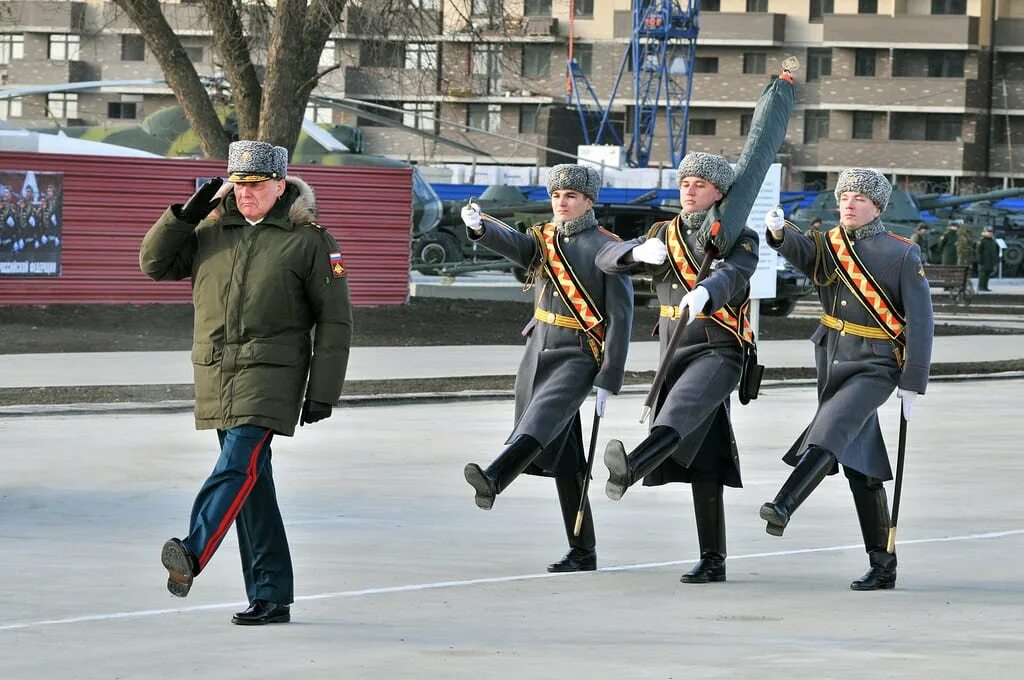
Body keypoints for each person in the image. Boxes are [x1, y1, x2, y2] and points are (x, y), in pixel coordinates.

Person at [139, 141, 353, 625]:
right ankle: (271, 595)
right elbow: (152, 265)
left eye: (256, 185)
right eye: (239, 184)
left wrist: (323, 390)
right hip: (217, 372)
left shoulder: (310, 240)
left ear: (281, 185)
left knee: (237, 465)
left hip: (271, 376)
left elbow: (335, 321)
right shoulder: (210, 232)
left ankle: (192, 551)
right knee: (252, 487)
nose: (246, 193)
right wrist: (182, 216)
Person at [761, 168, 933, 591]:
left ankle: (784, 504)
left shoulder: (901, 253)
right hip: (833, 359)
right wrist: (781, 233)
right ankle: (882, 564)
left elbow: (921, 323)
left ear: (877, 206)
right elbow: (803, 252)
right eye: (844, 197)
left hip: (875, 365)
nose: (849, 204)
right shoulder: (829, 245)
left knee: (832, 426)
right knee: (863, 465)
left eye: (859, 198)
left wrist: (913, 380)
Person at [595, 152, 760, 584]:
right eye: (685, 182)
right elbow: (604, 259)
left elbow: (736, 274)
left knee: (676, 413)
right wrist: (634, 255)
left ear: (719, 194)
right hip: (674, 350)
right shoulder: (661, 233)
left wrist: (707, 291)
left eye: (700, 185)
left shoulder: (738, 235)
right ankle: (713, 559)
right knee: (705, 460)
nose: (689, 189)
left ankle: (631, 466)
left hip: (719, 347)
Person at [460, 164, 633, 573]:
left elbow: (622, 319)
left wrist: (610, 376)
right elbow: (518, 247)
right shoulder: (546, 238)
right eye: (556, 195)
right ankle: (582, 550)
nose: (562, 202)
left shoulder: (605, 244)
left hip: (578, 352)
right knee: (568, 461)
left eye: (571, 196)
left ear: (589, 201)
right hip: (539, 349)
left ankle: (495, 477)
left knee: (538, 422)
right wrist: (482, 228)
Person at [976, 225, 999, 291]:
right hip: (983, 261)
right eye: (988, 232)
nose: (990, 233)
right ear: (984, 232)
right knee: (982, 275)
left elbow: (994, 251)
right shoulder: (982, 240)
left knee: (987, 274)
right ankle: (981, 287)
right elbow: (978, 251)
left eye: (991, 232)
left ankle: (985, 287)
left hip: (990, 261)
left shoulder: (992, 241)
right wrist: (980, 260)